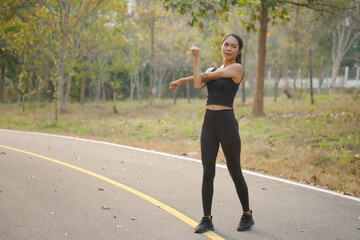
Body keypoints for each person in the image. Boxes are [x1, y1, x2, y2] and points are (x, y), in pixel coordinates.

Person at [169, 33, 254, 233]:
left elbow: (206, 77)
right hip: (209, 125)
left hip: (227, 125)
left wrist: (183, 78)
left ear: (238, 51)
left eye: (233, 46)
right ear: (221, 46)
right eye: (226, 44)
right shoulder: (211, 69)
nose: (229, 48)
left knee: (235, 170)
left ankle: (247, 214)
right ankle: (207, 219)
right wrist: (196, 61)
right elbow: (199, 83)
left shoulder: (237, 68)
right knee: (208, 172)